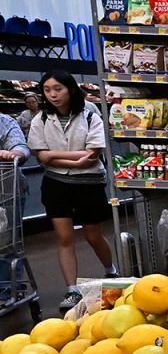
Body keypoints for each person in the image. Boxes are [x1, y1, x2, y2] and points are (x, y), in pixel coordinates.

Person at [27, 70, 117, 310]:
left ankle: (111, 272)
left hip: (89, 183)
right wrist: (74, 160)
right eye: (47, 90)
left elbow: (93, 154)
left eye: (58, 89)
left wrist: (54, 156)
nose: (53, 95)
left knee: (92, 235)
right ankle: (72, 289)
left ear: (71, 89)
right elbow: (41, 156)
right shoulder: (41, 119)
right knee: (64, 238)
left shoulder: (90, 114)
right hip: (56, 184)